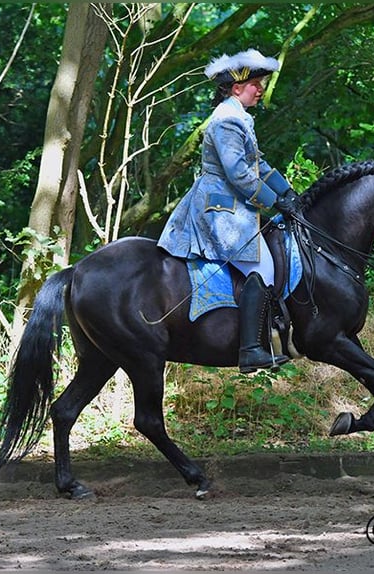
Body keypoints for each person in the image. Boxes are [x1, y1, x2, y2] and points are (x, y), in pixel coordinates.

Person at [157, 49, 300, 374]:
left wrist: (286, 190)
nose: (260, 88)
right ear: (236, 88)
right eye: (255, 84)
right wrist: (274, 201)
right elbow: (238, 173)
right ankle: (250, 350)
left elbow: (257, 163)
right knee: (262, 268)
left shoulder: (238, 117)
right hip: (220, 209)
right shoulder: (226, 120)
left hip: (234, 204)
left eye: (261, 83)